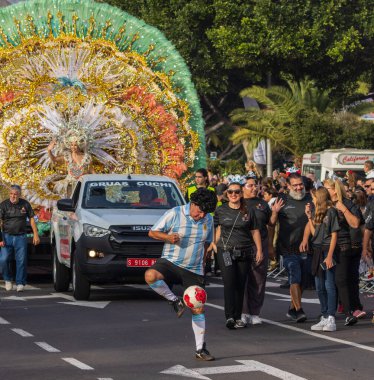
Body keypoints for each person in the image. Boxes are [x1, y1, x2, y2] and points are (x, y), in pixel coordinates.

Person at [145, 188, 217, 361]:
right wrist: (168, 238)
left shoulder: (209, 219)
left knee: (198, 307)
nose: (201, 216)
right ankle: (174, 300)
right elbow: (152, 232)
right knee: (150, 276)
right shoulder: (175, 213)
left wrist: (204, 262)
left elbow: (207, 243)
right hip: (170, 262)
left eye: (204, 213)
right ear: (193, 204)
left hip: (193, 269)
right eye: (199, 211)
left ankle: (200, 349)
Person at [213, 175, 262, 329]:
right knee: (229, 283)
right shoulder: (220, 210)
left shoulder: (249, 210)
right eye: (230, 192)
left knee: (241, 284)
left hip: (245, 251)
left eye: (236, 192)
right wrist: (214, 244)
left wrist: (259, 250)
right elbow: (218, 228)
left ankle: (238, 316)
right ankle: (229, 317)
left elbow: (255, 231)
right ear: (226, 194)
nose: (233, 195)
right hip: (225, 251)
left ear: (241, 194)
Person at [271, 173, 311, 322]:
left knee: (303, 280)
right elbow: (271, 223)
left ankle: (292, 308)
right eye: (295, 185)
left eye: (300, 184)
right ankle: (299, 310)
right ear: (288, 186)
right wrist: (275, 212)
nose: (299, 187)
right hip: (288, 247)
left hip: (308, 247)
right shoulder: (282, 200)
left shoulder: (310, 199)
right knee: (295, 276)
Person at [323, 178, 364, 326]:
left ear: (335, 190)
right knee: (347, 279)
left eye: (326, 188)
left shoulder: (347, 204)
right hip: (339, 246)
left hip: (347, 246)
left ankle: (350, 311)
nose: (324, 191)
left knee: (343, 279)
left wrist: (343, 208)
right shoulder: (327, 205)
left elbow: (356, 224)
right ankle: (354, 309)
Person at [305, 187, 340, 332]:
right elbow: (314, 234)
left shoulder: (331, 211)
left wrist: (330, 255)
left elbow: (334, 235)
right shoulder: (316, 212)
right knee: (319, 285)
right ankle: (324, 315)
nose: (312, 200)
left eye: (313, 197)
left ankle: (331, 317)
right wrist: (309, 217)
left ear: (318, 197)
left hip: (327, 250)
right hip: (317, 249)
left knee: (329, 284)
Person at [241, 172, 271, 325]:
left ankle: (255, 312)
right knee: (242, 278)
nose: (254, 188)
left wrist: (270, 248)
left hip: (261, 244)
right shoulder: (237, 203)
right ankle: (244, 311)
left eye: (255, 185)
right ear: (243, 188)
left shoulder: (263, 204)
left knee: (258, 278)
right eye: (250, 185)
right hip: (242, 244)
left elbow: (269, 224)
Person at [0, 185, 40, 292]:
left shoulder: (25, 204)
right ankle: (8, 280)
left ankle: (20, 282)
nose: (13, 196)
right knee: (3, 259)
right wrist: (0, 238)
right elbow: (0, 222)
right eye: (11, 194)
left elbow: (32, 219)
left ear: (19, 195)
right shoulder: (3, 205)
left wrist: (36, 234)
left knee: (21, 260)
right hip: (6, 236)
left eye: (15, 194)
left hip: (21, 236)